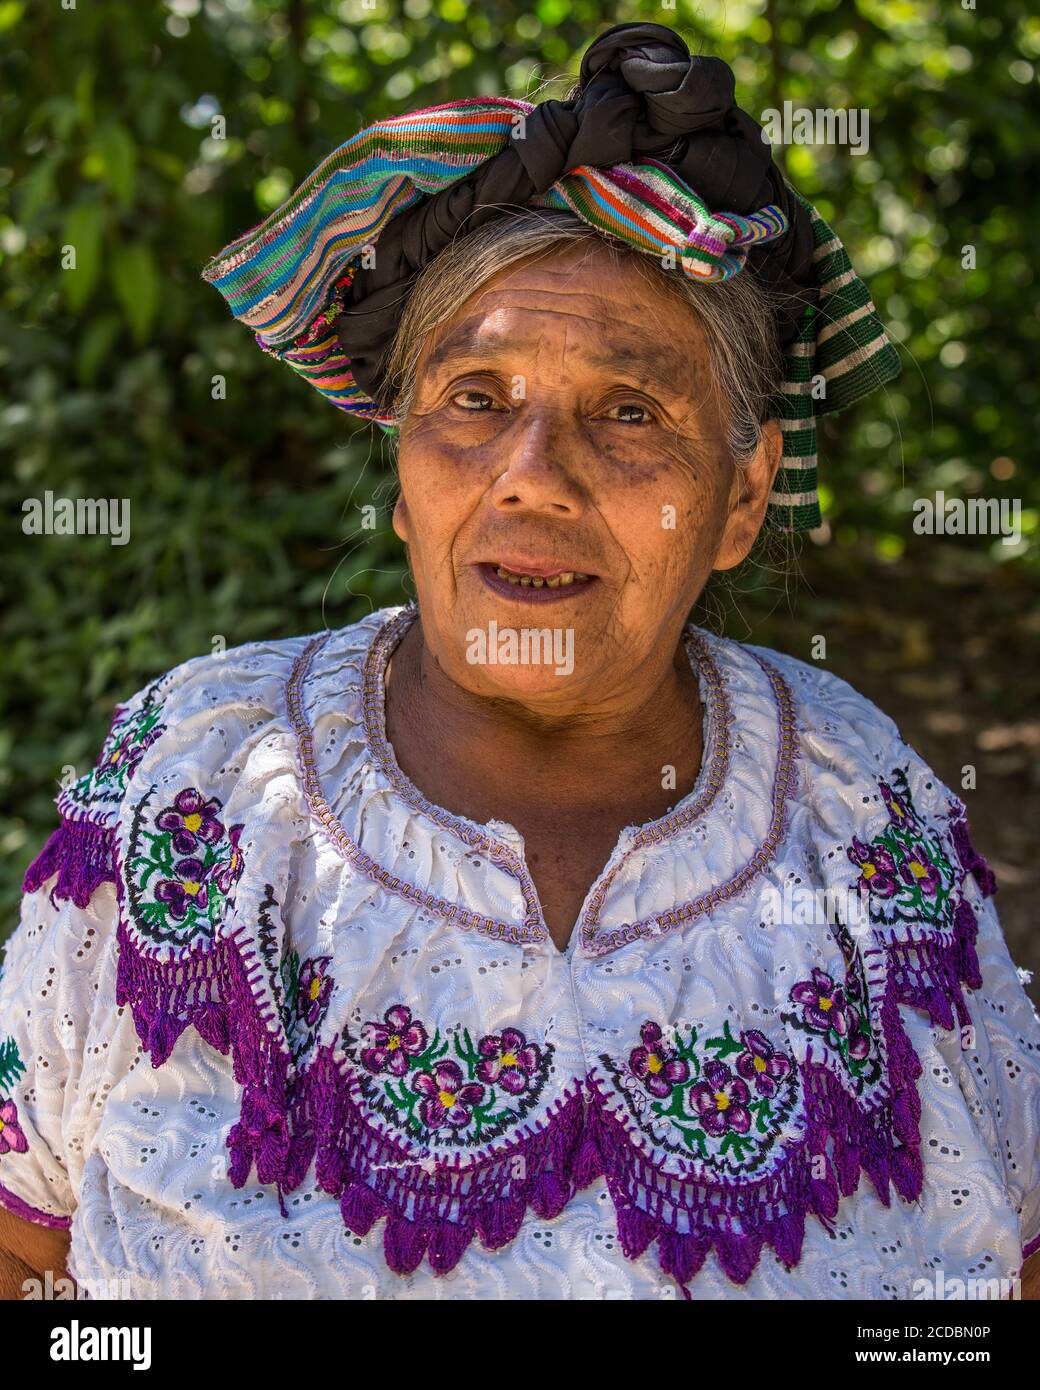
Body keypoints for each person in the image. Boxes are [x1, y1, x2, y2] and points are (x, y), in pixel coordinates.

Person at [2, 23, 1037, 1301]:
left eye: (627, 412)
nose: (530, 477)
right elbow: (22, 1250)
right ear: (401, 467)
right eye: (475, 398)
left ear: (741, 495)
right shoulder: (200, 786)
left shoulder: (864, 812)